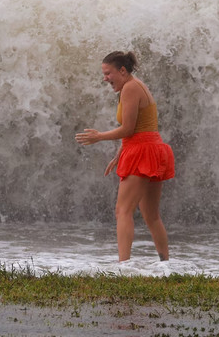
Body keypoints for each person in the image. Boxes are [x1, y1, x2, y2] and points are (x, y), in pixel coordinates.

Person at [75, 51, 175, 262]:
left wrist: (99, 136)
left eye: (108, 73)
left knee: (123, 211)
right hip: (152, 148)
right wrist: (120, 153)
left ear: (122, 70)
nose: (105, 78)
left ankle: (124, 267)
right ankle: (166, 265)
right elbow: (139, 128)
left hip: (142, 151)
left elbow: (128, 129)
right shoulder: (135, 85)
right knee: (151, 214)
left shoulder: (130, 88)